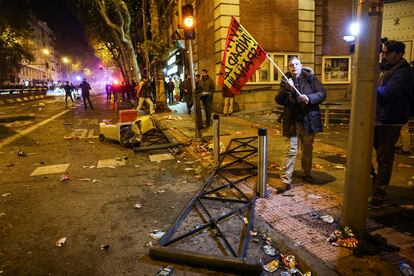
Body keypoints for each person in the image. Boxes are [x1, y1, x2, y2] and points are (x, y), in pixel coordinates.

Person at [369, 40, 414, 208]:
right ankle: (373, 181)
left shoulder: (404, 72)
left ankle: (379, 192)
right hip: (375, 118)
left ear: (399, 54)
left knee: (384, 158)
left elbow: (387, 92)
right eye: (383, 52)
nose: (383, 55)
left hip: (390, 120)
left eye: (387, 52)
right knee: (362, 154)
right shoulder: (384, 68)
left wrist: (367, 84)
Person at [275, 56, 326, 192]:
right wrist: (286, 88)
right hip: (292, 120)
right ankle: (286, 180)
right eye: (291, 65)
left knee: (307, 148)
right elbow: (279, 100)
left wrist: (309, 98)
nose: (294, 67)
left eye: (296, 64)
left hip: (308, 120)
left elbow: (322, 93)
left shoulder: (311, 78)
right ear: (288, 68)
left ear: (301, 65)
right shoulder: (286, 81)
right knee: (291, 150)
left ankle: (306, 173)